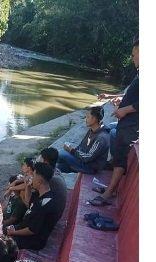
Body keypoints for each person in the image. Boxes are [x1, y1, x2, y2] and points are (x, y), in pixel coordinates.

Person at [95, 38, 139, 204]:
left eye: (135, 54)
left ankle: (108, 194)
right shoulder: (139, 73)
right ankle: (109, 189)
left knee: (120, 157)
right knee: (118, 154)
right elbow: (131, 96)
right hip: (126, 121)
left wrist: (125, 109)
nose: (133, 57)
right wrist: (118, 100)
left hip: (132, 124)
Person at [7, 162, 63, 250]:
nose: (31, 178)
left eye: (33, 175)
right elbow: (29, 203)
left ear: (39, 181)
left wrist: (14, 232)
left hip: (33, 240)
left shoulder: (44, 204)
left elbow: (31, 230)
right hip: (24, 227)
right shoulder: (41, 193)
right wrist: (28, 187)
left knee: (0, 242)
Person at [57, 105, 111, 174]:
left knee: (61, 153)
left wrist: (71, 150)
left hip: (91, 167)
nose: (85, 119)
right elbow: (81, 146)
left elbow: (88, 157)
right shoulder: (92, 130)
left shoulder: (101, 137)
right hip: (83, 160)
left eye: (88, 117)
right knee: (59, 166)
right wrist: (73, 151)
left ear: (94, 119)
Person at [38, 147, 67, 216]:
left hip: (51, 215)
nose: (39, 159)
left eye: (41, 158)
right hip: (55, 210)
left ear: (45, 162)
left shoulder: (50, 177)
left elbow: (33, 187)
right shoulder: (55, 170)